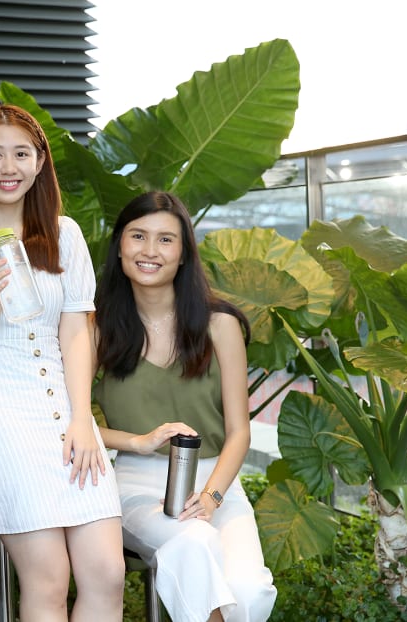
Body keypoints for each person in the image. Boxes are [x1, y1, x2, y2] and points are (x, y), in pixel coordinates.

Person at [0, 103, 125, 621]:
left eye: (20, 154)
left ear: (39, 163)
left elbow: (77, 330)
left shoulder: (66, 235)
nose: (7, 167)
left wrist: (82, 418)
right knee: (49, 580)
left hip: (66, 415)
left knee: (107, 573)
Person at [92, 191, 277, 622]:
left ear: (183, 254)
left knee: (249, 591)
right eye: (138, 236)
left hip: (217, 481)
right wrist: (137, 441)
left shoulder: (219, 324)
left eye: (165, 240)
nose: (150, 251)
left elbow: (239, 432)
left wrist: (212, 497)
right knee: (193, 543)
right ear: (120, 244)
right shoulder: (97, 326)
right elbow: (70, 423)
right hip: (136, 483)